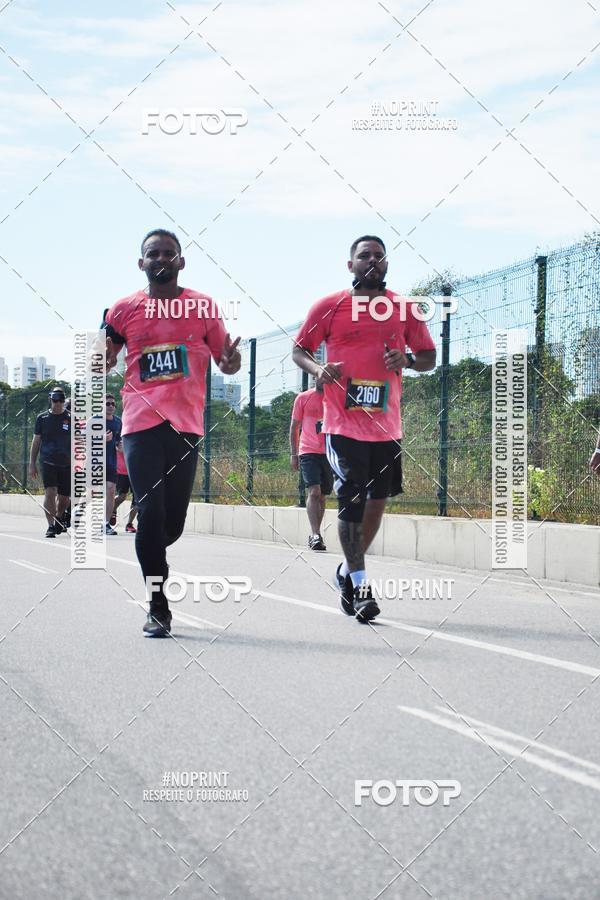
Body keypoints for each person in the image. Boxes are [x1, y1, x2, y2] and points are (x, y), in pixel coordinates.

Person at [102, 228, 241, 637]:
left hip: (186, 425)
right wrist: (101, 361)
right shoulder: (122, 309)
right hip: (140, 424)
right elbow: (103, 357)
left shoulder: (202, 306)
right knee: (151, 511)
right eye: (152, 253)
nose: (160, 258)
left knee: (172, 524)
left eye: (168, 253)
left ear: (180, 262)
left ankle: (155, 559)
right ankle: (158, 605)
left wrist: (231, 362)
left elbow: (226, 362)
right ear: (141, 263)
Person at [292, 235, 436, 622]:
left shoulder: (404, 309)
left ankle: (346, 572)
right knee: (352, 501)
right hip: (342, 423)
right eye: (364, 255)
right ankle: (360, 585)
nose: (372, 260)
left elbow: (428, 358)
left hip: (387, 427)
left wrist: (405, 359)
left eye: (379, 256)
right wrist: (318, 370)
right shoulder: (330, 306)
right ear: (350, 264)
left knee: (378, 503)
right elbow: (299, 350)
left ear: (386, 264)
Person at [290, 380, 333, 550]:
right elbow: (294, 427)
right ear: (316, 378)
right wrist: (294, 454)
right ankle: (315, 534)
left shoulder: (334, 398)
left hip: (329, 453)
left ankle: (315, 534)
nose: (324, 379)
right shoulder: (303, 398)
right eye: (321, 376)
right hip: (308, 451)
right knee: (314, 491)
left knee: (322, 495)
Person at [29, 387, 71, 538]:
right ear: (50, 399)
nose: (58, 403)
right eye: (55, 399)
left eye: (61, 400)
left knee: (64, 498)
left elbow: (79, 441)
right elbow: (36, 441)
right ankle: (51, 525)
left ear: (64, 400)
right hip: (47, 461)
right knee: (50, 492)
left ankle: (59, 517)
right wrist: (32, 463)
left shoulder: (71, 418)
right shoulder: (42, 418)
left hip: (67, 463)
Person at [104, 394, 122, 535]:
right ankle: (77, 512)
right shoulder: (94, 421)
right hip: (94, 462)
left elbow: (118, 441)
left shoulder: (118, 422)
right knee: (91, 494)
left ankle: (105, 524)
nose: (110, 406)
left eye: (112, 404)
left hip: (111, 462)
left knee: (110, 490)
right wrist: (100, 438)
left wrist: (119, 445)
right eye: (107, 403)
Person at [113, 442, 138, 533]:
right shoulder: (120, 435)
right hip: (122, 472)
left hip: (136, 472)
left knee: (138, 500)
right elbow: (122, 449)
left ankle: (129, 524)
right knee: (122, 497)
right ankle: (112, 511)